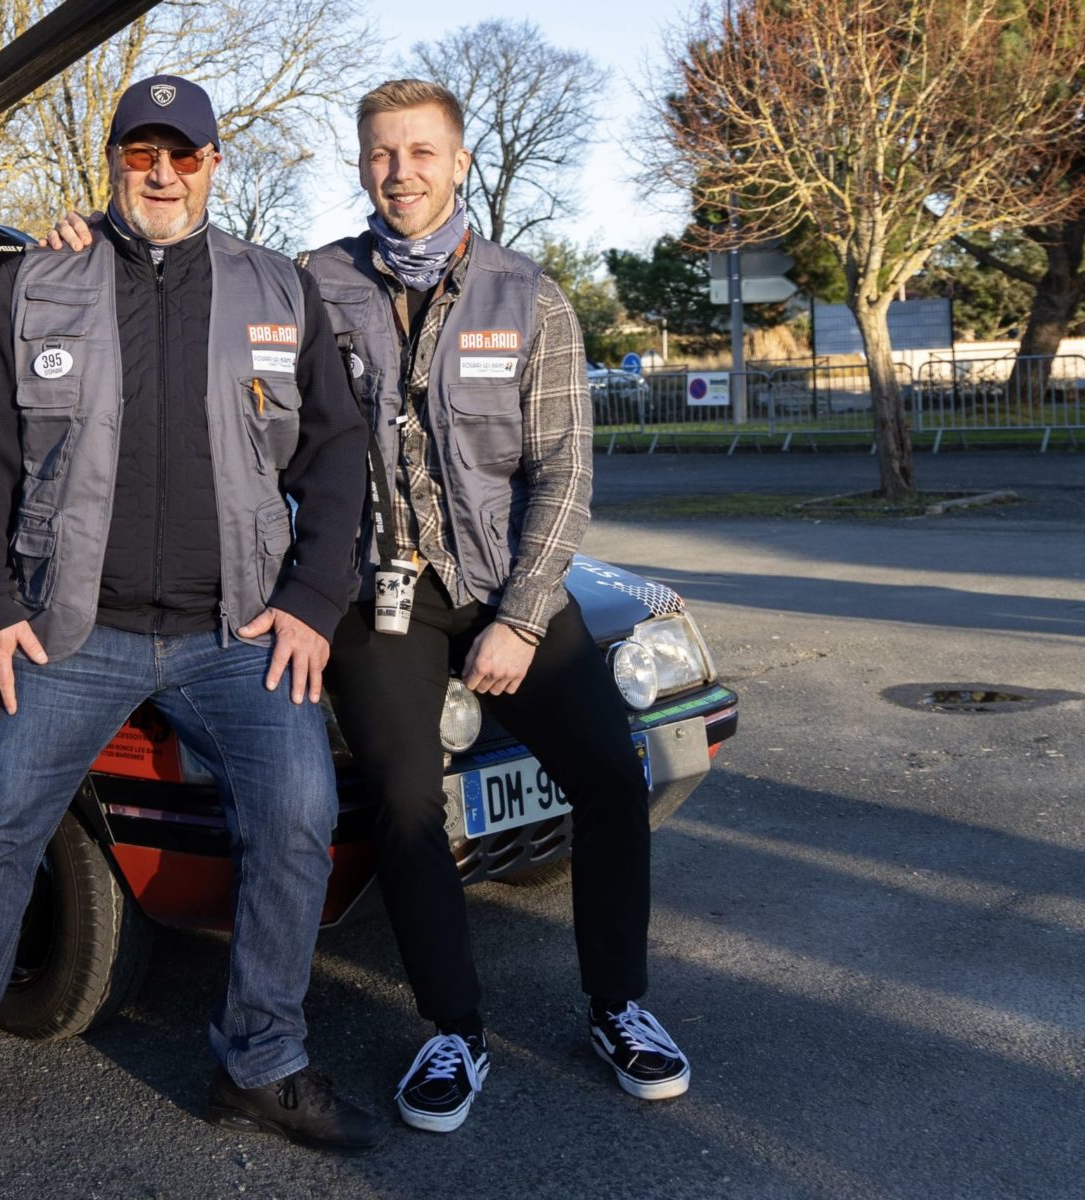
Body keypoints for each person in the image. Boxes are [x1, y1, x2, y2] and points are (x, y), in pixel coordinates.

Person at [42, 78, 690, 1132]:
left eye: (422, 152)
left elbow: (565, 471)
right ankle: (453, 1029)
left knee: (614, 778)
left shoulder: (529, 297)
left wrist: (524, 617)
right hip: (376, 590)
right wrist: (90, 243)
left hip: (500, 584)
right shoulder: (308, 283)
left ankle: (620, 1004)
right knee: (402, 799)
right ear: (360, 164)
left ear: (460, 161)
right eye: (383, 153)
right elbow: (187, 286)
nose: (402, 172)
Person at [0, 75, 382, 1182]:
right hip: (72, 631)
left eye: (183, 154)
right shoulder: (38, 281)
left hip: (235, 632)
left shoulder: (279, 288)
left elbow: (336, 451)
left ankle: (260, 1062)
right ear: (112, 162)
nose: (161, 173)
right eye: (140, 153)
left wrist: (313, 602)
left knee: (299, 814)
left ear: (214, 164)